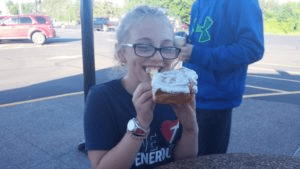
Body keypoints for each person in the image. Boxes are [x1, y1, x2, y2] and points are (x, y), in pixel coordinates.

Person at [84, 5, 198, 169]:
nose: (158, 57)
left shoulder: (175, 98)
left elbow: (183, 162)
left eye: (166, 47)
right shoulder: (101, 98)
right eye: (144, 46)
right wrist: (141, 123)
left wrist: (190, 128)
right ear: (121, 53)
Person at [179, 0, 265, 156]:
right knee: (183, 158)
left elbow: (253, 48)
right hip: (188, 94)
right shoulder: (198, 3)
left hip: (214, 101)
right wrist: (184, 42)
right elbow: (202, 39)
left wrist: (197, 53)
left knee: (206, 162)